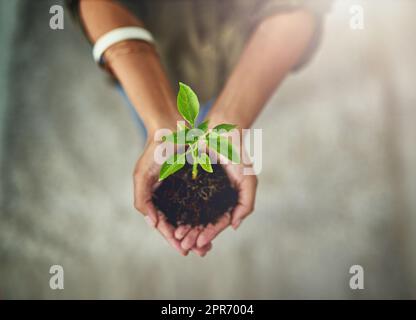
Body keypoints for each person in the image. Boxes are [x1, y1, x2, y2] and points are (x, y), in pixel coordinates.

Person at [67, 0, 331, 257]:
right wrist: (160, 124)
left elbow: (304, 5)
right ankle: (163, 128)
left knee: (196, 137)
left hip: (246, 61)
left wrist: (232, 118)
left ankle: (189, 128)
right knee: (162, 134)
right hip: (148, 65)